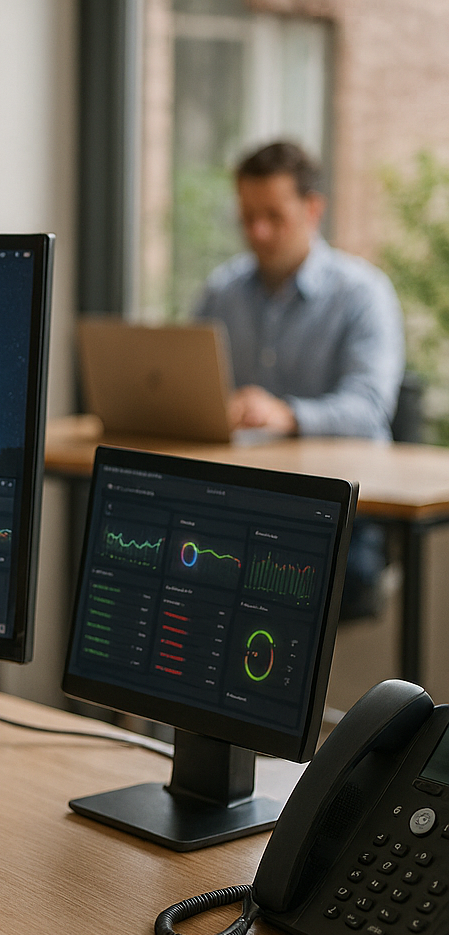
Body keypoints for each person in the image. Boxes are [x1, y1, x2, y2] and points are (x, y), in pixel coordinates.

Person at [194, 140, 405, 617]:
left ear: (313, 209)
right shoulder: (221, 292)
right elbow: (192, 384)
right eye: (247, 217)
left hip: (338, 521)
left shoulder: (363, 294)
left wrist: (285, 414)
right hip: (243, 509)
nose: (258, 231)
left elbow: (370, 406)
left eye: (273, 216)